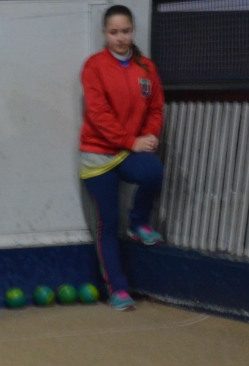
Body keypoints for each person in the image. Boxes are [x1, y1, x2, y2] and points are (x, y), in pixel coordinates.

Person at [79, 5, 165, 312]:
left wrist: (150, 135)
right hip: (98, 155)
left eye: (125, 31)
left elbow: (155, 108)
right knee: (108, 223)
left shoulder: (147, 68)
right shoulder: (94, 67)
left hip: (128, 152)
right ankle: (118, 289)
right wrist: (131, 140)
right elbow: (98, 115)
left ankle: (139, 222)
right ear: (105, 34)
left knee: (153, 171)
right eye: (114, 32)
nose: (120, 38)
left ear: (133, 31)